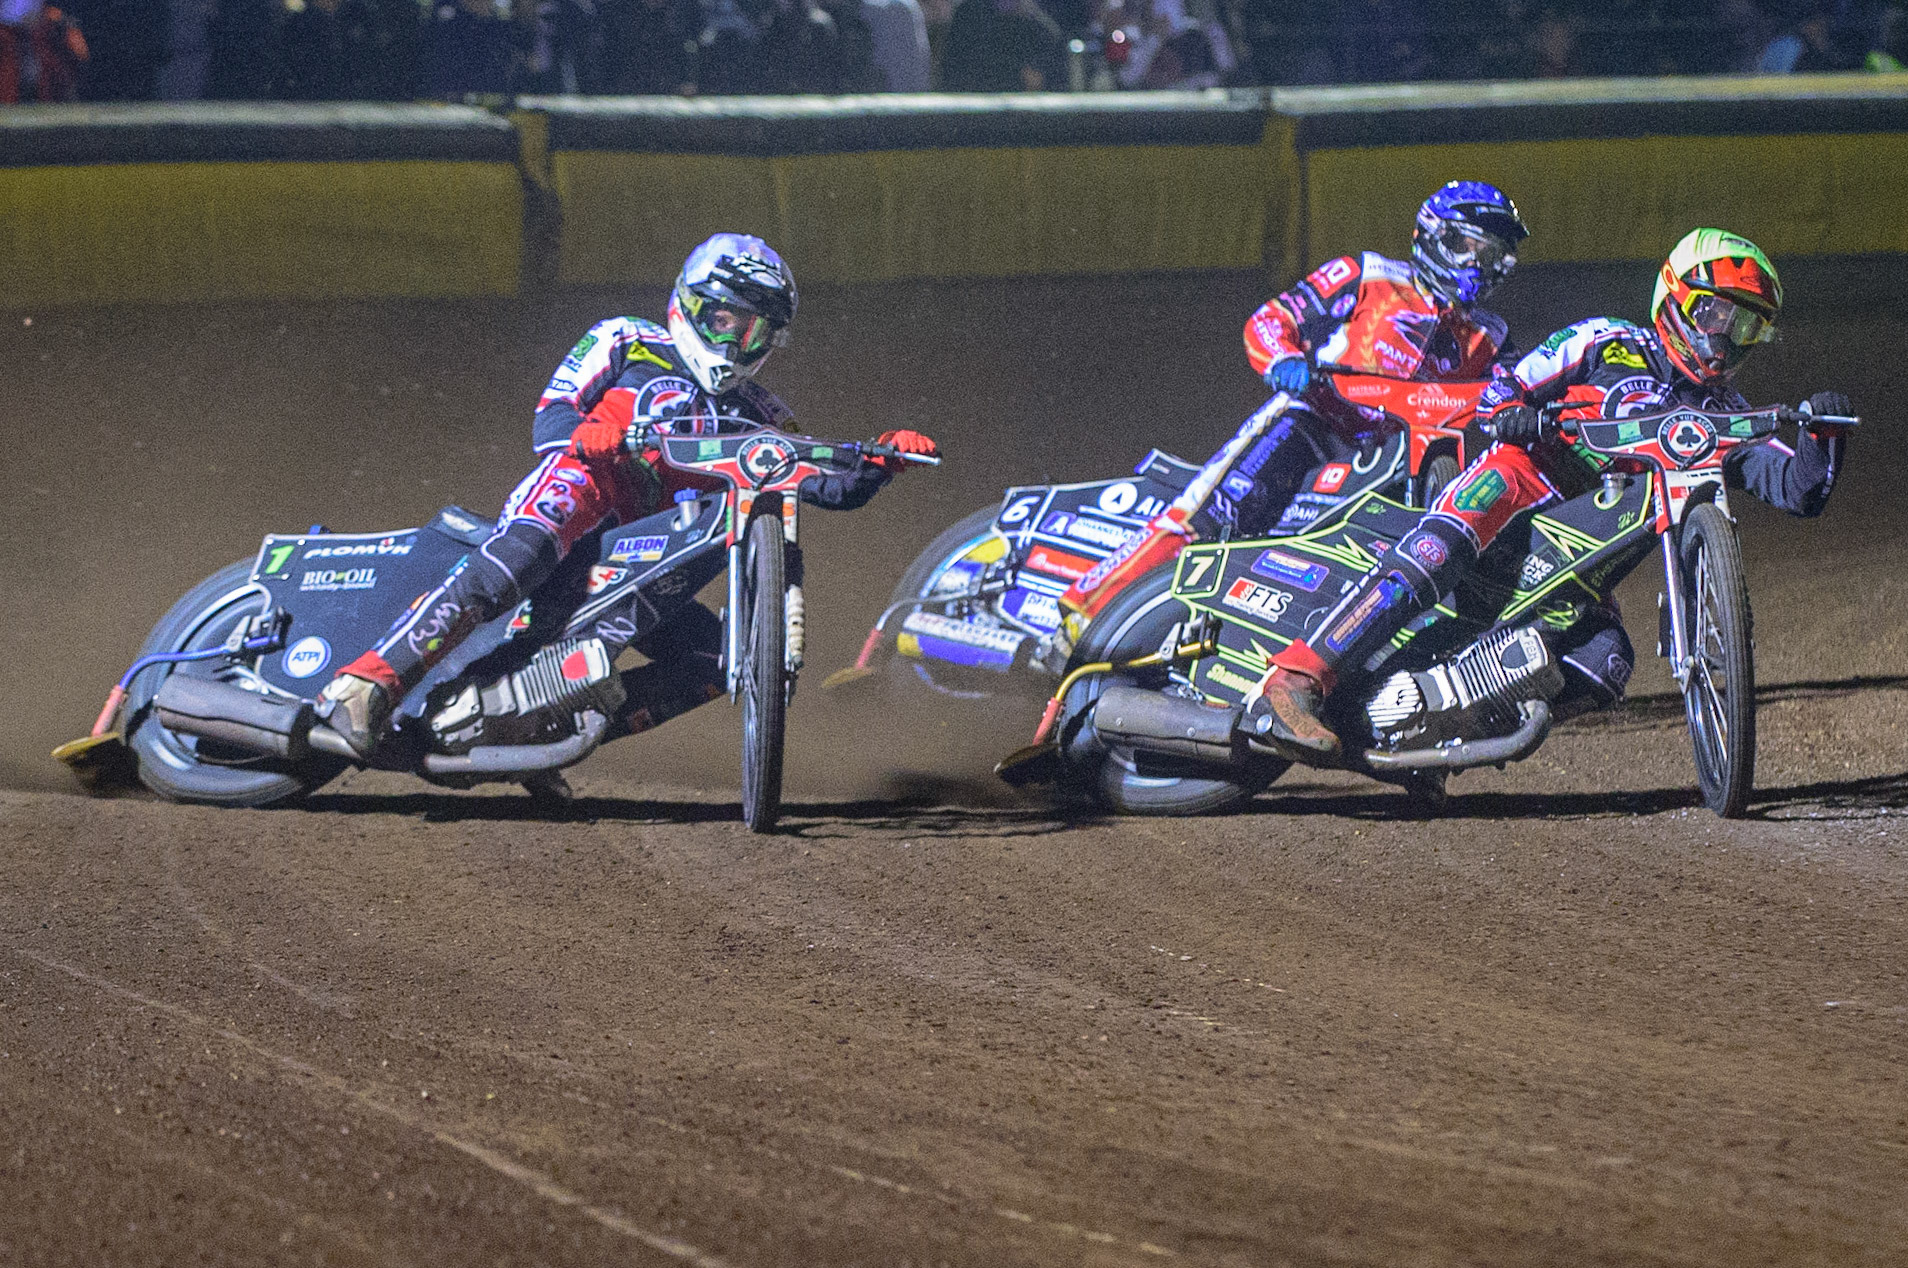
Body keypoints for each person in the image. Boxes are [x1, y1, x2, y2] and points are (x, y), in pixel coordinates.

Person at [317, 234, 938, 756]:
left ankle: (537, 729)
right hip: (582, 492)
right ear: (692, 306)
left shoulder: (760, 412)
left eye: (754, 333)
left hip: (645, 555)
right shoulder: (625, 339)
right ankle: (367, 684)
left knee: (714, 661)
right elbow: (552, 417)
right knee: (519, 555)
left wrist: (877, 461)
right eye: (725, 321)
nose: (734, 343)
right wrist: (594, 436)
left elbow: (817, 482)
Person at [1246, 228, 1854, 760]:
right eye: (1716, 314)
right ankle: (1296, 678)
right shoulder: (1606, 340)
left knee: (1605, 662)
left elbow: (1798, 490)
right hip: (1521, 480)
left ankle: (1443, 741)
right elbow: (1506, 384)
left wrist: (1824, 434)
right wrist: (1512, 412)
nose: (1727, 336)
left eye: (1745, 324)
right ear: (1676, 301)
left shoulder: (1722, 415)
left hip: (1587, 547)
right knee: (1439, 549)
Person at [1055, 181, 1528, 632]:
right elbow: (1271, 319)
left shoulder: (1493, 335)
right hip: (1313, 423)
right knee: (1213, 518)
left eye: (1498, 258)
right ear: (1437, 236)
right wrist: (1283, 358)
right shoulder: (1368, 274)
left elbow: (1512, 393)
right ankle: (1079, 615)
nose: (1487, 267)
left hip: (1394, 460)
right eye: (1478, 250)